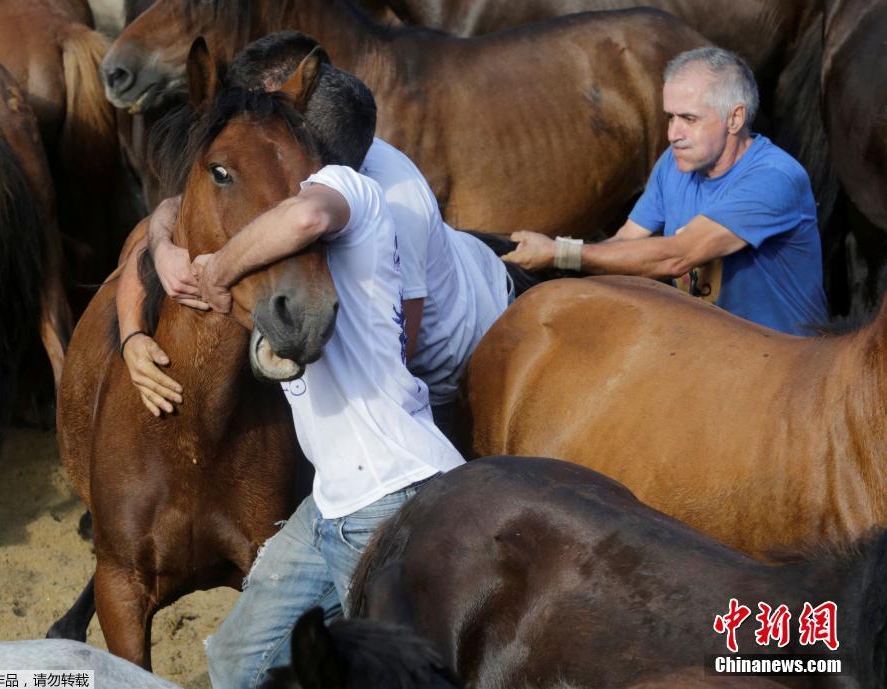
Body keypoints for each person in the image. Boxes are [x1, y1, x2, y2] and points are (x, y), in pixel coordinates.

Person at [128, 53, 463, 688]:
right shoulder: (288, 223)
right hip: (329, 505)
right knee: (234, 661)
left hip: (393, 497)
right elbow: (181, 201)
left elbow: (302, 216)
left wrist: (217, 268)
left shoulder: (346, 195)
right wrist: (164, 250)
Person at [119, 33, 511, 437]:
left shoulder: (394, 199)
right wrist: (152, 280)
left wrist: (218, 272)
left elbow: (397, 353)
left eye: (259, 104)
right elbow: (174, 208)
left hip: (452, 365)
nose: (245, 116)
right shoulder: (270, 155)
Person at [502, 47, 828, 336]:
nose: (673, 134)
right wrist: (558, 273)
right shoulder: (673, 164)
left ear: (735, 118)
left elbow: (677, 256)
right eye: (670, 117)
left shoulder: (775, 178)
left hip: (785, 364)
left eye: (689, 118)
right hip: (710, 350)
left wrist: (562, 252)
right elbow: (626, 242)